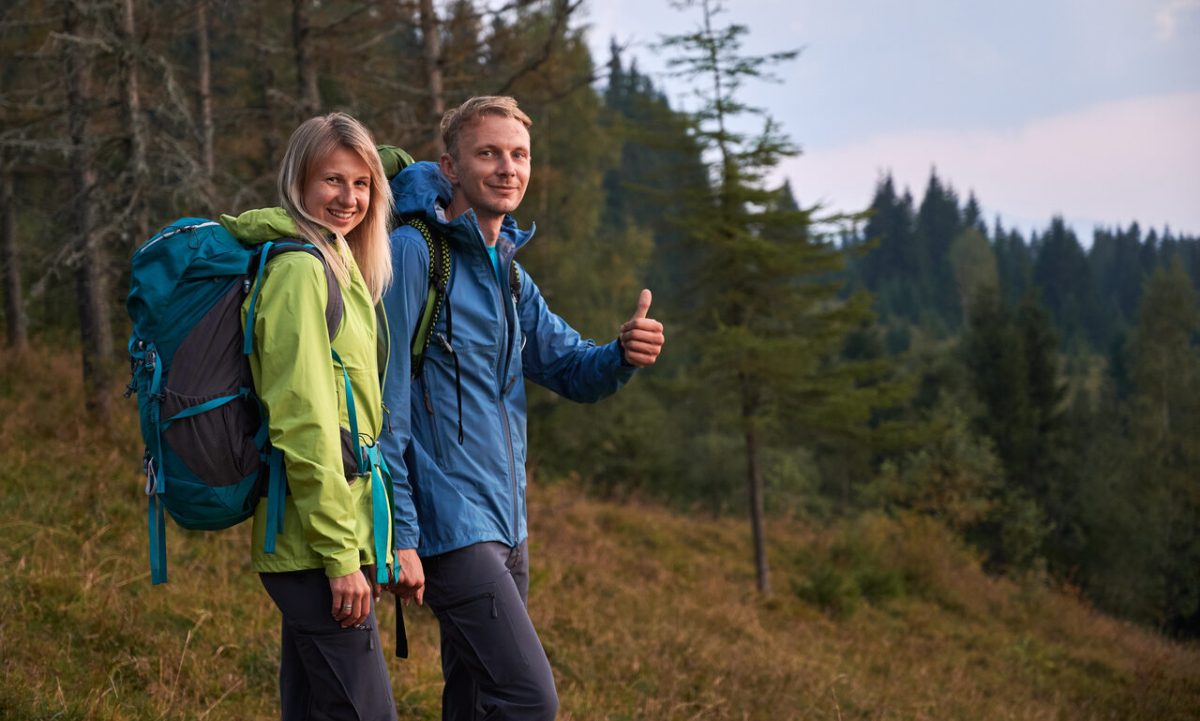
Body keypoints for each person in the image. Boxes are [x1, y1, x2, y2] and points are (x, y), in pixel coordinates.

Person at [380, 96, 665, 720]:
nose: (508, 168)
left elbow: (571, 368)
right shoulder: (414, 254)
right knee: (529, 697)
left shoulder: (509, 274)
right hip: (449, 524)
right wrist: (401, 533)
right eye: (488, 153)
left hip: (510, 527)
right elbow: (388, 405)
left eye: (519, 155)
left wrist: (621, 352)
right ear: (451, 168)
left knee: (478, 697)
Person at [222, 112, 405, 721]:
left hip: (328, 536)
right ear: (298, 181)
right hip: (312, 546)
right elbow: (303, 425)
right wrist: (340, 557)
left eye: (362, 184)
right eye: (332, 180)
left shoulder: (338, 260)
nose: (348, 198)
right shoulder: (301, 271)